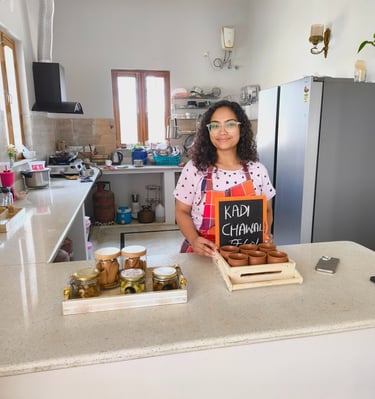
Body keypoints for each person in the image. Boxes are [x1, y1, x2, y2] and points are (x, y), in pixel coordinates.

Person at [173, 99, 276, 257]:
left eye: (230, 124)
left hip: (246, 255)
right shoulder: (195, 168)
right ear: (208, 132)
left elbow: (267, 210)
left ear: (241, 129)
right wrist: (193, 239)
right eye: (215, 125)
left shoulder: (257, 170)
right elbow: (181, 211)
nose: (222, 131)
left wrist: (264, 234)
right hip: (204, 254)